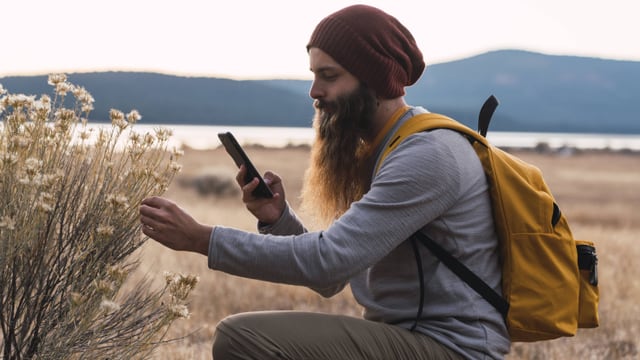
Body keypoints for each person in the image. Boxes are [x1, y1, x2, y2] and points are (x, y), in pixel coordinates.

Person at [139, 4, 510, 359]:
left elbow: (327, 264)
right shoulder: (385, 149)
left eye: (329, 76)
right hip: (408, 338)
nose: (314, 92)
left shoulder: (427, 154)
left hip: (452, 349)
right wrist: (277, 219)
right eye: (314, 75)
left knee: (241, 338)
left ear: (376, 81)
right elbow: (333, 278)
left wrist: (201, 239)